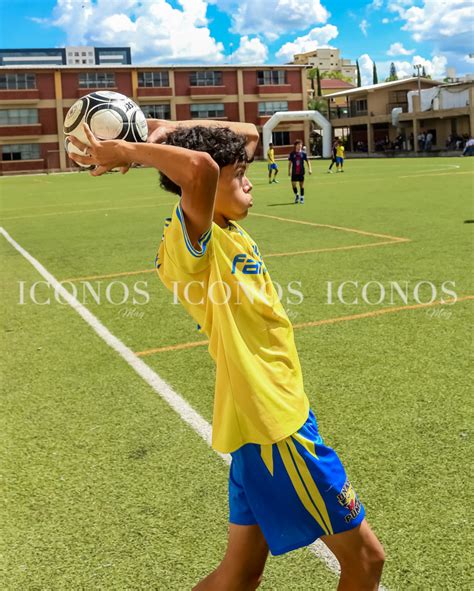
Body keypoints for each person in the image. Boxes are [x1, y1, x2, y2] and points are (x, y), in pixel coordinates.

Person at [67, 120, 385, 591]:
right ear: (210, 183)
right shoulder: (190, 241)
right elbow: (198, 168)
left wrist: (167, 127)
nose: (249, 181)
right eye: (238, 174)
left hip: (260, 420)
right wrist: (130, 151)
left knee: (240, 574)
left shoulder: (223, 223)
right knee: (367, 561)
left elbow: (249, 134)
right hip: (273, 426)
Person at [288, 139, 312, 204]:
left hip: (301, 172)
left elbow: (308, 161)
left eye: (301, 144)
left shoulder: (303, 154)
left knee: (301, 185)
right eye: (298, 144)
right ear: (295, 145)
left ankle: (302, 197)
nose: (300, 146)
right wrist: (289, 171)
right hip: (294, 172)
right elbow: (290, 163)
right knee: (293, 185)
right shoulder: (292, 154)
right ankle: (297, 195)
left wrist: (310, 169)